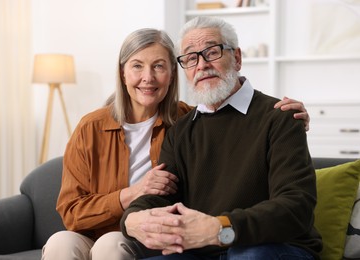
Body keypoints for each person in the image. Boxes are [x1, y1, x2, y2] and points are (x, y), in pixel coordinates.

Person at [42, 27, 311, 260]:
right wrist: (131, 197)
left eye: (158, 66)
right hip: (106, 229)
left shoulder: (184, 121)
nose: (148, 77)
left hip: (142, 238)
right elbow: (71, 212)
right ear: (123, 72)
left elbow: (228, 111)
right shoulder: (91, 126)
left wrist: (289, 117)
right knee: (60, 242)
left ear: (172, 73)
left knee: (110, 245)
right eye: (137, 66)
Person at [120, 16, 322, 260]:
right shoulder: (181, 130)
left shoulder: (281, 117)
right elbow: (160, 196)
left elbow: (296, 207)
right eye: (191, 58)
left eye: (212, 52)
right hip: (204, 251)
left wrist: (220, 229)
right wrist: (131, 220)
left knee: (247, 256)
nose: (202, 65)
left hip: (275, 246)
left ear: (236, 58)